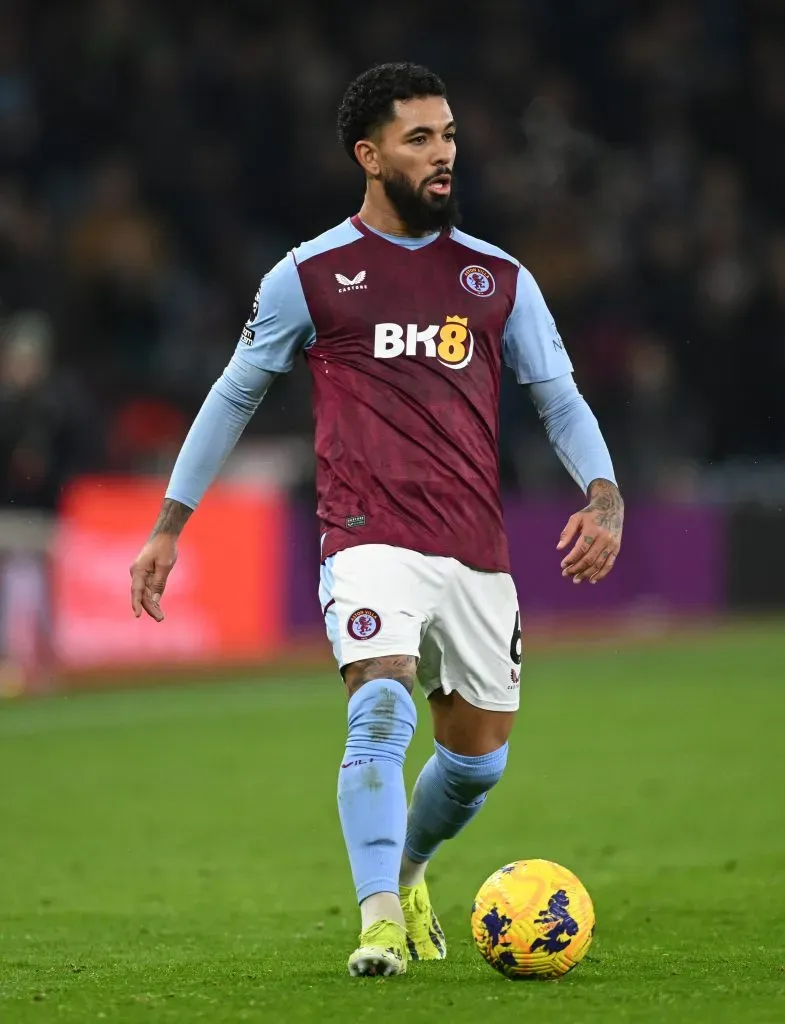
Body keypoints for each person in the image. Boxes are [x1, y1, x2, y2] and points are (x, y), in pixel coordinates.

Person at [129, 63, 624, 978]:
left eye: (448, 138)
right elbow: (234, 396)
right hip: (367, 538)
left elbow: (560, 399)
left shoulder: (498, 279)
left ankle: (412, 865)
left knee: (475, 766)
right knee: (382, 708)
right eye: (420, 140)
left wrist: (603, 493)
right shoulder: (310, 277)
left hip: (476, 552)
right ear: (369, 154)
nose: (444, 156)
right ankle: (381, 922)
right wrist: (170, 523)